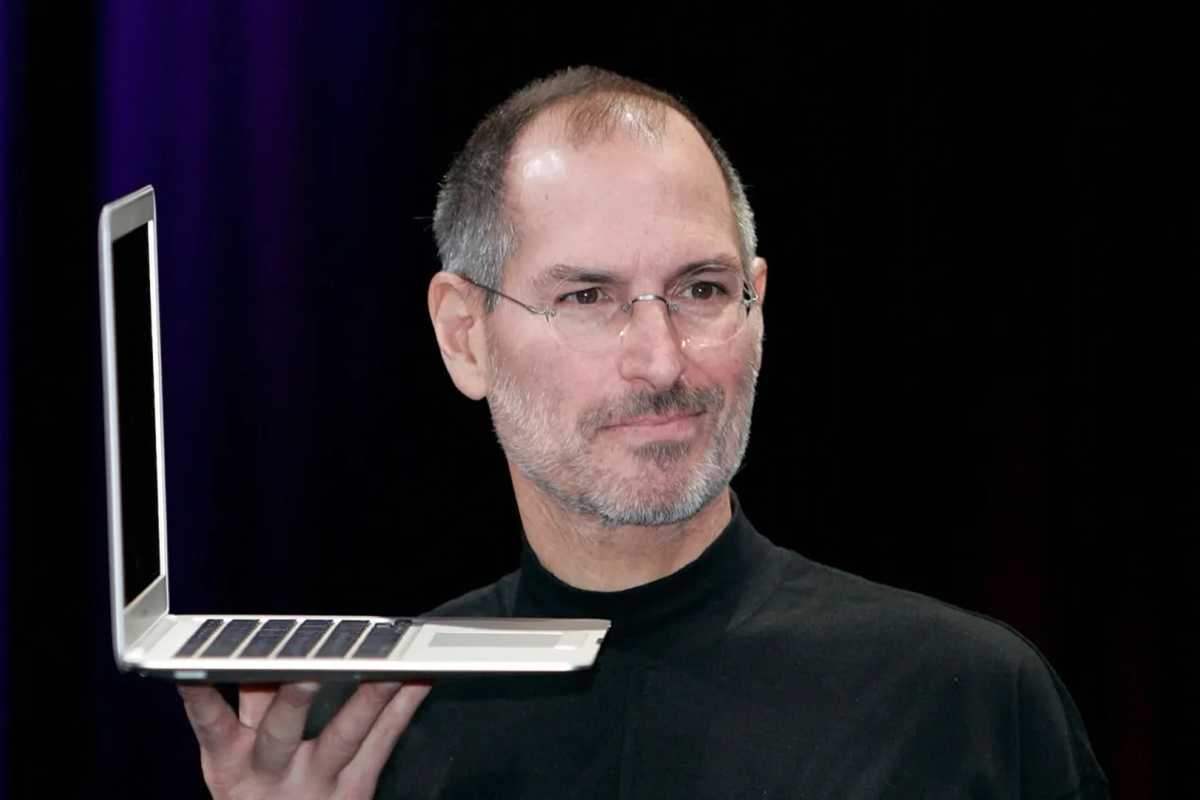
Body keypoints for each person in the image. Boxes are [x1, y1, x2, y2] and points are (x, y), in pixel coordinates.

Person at [178, 66, 1109, 799]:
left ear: (759, 306)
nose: (662, 362)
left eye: (703, 291)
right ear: (465, 337)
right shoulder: (358, 736)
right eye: (588, 298)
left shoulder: (963, 701)